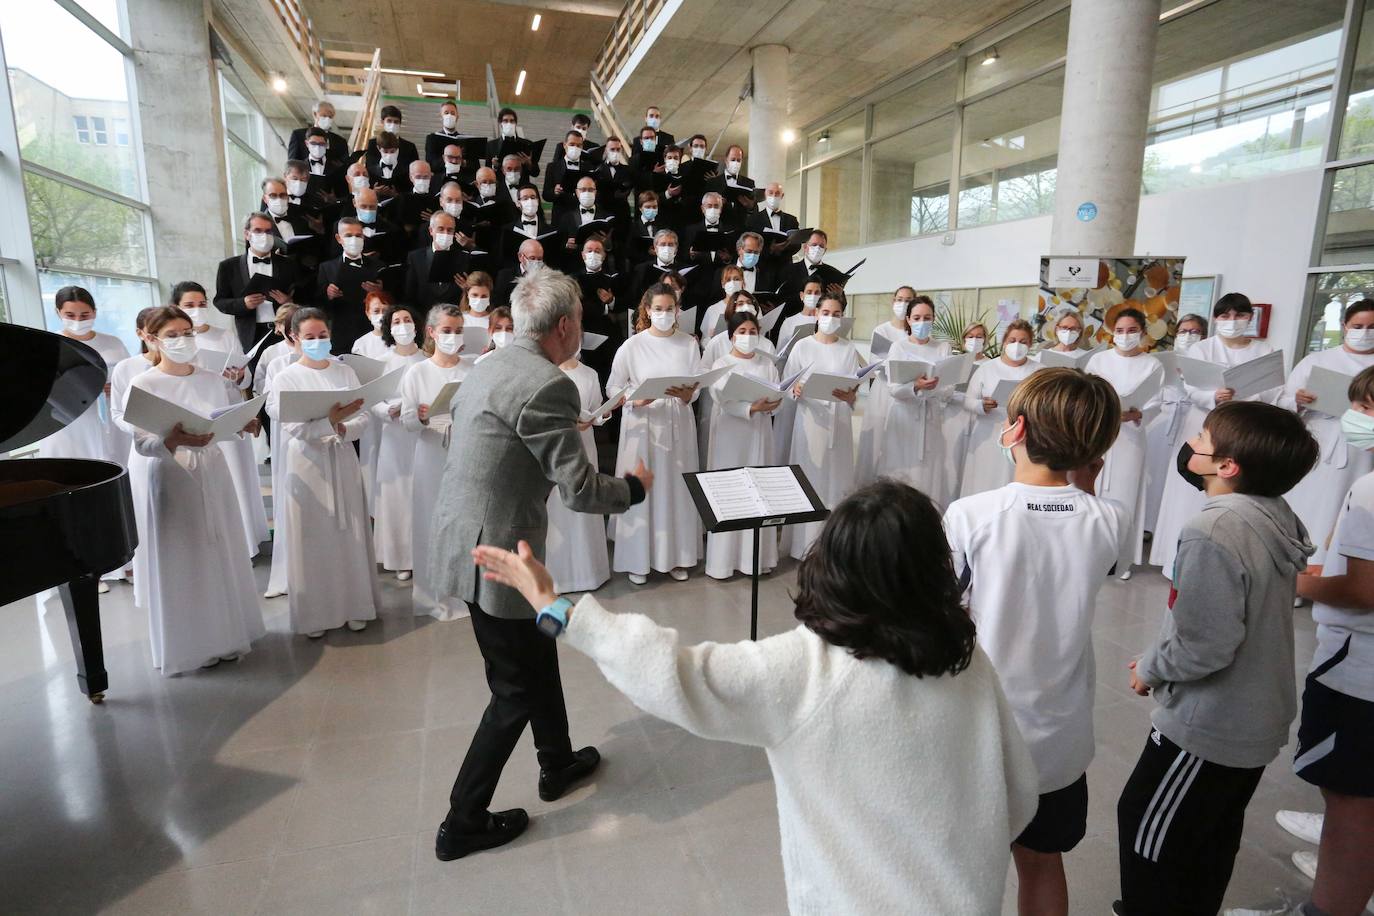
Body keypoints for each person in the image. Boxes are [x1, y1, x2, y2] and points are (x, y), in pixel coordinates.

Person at [471, 479, 1038, 914]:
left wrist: (559, 609)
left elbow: (671, 673)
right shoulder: (966, 660)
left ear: (833, 567)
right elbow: (1019, 796)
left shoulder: (805, 670)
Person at [427, 268, 653, 861]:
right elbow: (579, 491)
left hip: (465, 536)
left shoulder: (489, 365)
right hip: (501, 554)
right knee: (513, 691)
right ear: (566, 325)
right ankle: (462, 821)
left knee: (539, 650)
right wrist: (633, 488)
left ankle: (557, 762)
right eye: (578, 319)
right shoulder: (551, 385)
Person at [1116, 401, 1319, 916]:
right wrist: (1161, 654)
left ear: (1227, 465)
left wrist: (1151, 669)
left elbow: (1204, 645)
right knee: (1207, 838)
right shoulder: (1272, 511)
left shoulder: (1213, 529)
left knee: (1149, 831)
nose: (1192, 445)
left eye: (1202, 438)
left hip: (1210, 723)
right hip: (1254, 714)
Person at [944, 367, 1129, 916]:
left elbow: (945, 607)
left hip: (981, 727)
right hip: (1060, 734)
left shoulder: (971, 515)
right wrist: (1083, 486)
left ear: (1016, 430)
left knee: (963, 867)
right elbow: (1088, 538)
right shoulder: (1110, 519)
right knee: (1044, 861)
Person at [1271, 366, 1374, 916]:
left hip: (1360, 671)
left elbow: (1361, 590)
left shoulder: (1370, 489)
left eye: (1367, 408)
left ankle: (1334, 900)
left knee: (1351, 795)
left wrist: (1291, 581)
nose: (1356, 418)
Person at [125, 307, 263, 674]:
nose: (183, 340)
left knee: (220, 548)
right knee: (184, 556)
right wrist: (171, 440)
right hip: (173, 475)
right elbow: (141, 443)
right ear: (151, 339)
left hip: (213, 470)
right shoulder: (145, 384)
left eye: (187, 333)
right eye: (172, 335)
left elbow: (217, 425)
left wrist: (242, 425)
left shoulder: (210, 380)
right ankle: (191, 644)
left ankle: (227, 635)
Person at [265, 307, 381, 637]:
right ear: (295, 337)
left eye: (323, 336)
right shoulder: (287, 377)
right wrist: (329, 421)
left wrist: (342, 427)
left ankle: (355, 606)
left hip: (341, 456)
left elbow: (363, 415)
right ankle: (316, 615)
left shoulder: (344, 372)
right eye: (310, 337)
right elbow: (293, 426)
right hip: (307, 462)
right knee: (313, 536)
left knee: (350, 532)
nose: (317, 342)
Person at [1151, 293, 1278, 578]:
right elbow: (1191, 387)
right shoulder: (1202, 349)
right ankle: (1180, 560)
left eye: (1239, 315)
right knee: (1192, 490)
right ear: (1217, 318)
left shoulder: (1264, 350)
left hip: (1244, 428)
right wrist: (1213, 397)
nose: (1232, 321)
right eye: (1225, 315)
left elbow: (1273, 391)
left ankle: (1228, 563)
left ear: (1249, 318)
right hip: (1204, 424)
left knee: (1235, 489)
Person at [607, 283, 703, 584]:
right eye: (658, 309)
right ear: (647, 310)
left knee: (675, 488)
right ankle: (638, 559)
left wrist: (688, 394)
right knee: (645, 487)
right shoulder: (632, 345)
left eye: (669, 309)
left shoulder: (688, 343)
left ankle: (677, 556)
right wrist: (634, 399)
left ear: (677, 310)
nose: (664, 314)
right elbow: (613, 387)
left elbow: (697, 386)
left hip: (678, 424)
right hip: (643, 424)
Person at [175, 281, 269, 558]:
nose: (197, 310)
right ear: (176, 307)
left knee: (235, 475)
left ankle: (244, 542)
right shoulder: (177, 341)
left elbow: (245, 375)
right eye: (189, 305)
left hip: (228, 409)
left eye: (201, 304)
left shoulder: (224, 335)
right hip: (197, 412)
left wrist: (239, 375)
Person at [1280, 300, 1374, 568]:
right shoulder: (1317, 360)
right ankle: (1297, 566)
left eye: (1371, 327)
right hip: (1320, 439)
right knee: (1308, 502)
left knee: (1348, 506)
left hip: (1362, 448)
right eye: (1358, 326)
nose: (1364, 332)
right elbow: (1284, 402)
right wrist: (1298, 400)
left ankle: (1334, 570)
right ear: (1345, 326)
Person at [1086, 308, 1166, 580]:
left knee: (1125, 494)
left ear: (1142, 332)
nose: (1125, 335)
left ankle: (1121, 558)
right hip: (1099, 434)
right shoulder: (1099, 360)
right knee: (1092, 492)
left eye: (1132, 330)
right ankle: (1090, 552)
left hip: (1130, 438)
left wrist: (1136, 414)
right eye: (1119, 331)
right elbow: (1087, 394)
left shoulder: (1152, 365)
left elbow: (1156, 402)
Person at [401, 304, 470, 621]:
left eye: (458, 331)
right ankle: (433, 595)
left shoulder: (471, 370)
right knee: (431, 522)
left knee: (463, 523)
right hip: (431, 453)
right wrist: (422, 417)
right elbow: (407, 422)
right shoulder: (417, 372)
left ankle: (465, 592)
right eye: (446, 331)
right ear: (431, 332)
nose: (453, 336)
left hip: (465, 453)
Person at [783, 291, 862, 559]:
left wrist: (850, 396)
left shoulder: (848, 348)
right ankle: (802, 546)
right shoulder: (802, 346)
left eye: (836, 314)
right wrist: (796, 390)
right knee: (810, 480)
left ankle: (834, 545)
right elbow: (788, 385)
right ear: (816, 314)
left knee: (836, 481)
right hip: (810, 422)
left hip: (839, 423)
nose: (830, 318)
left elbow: (853, 388)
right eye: (826, 313)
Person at [705, 311, 782, 580]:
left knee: (758, 491)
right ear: (731, 336)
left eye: (752, 332)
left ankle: (756, 560)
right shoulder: (721, 364)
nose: (748, 337)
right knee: (731, 491)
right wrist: (750, 407)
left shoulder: (767, 364)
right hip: (730, 434)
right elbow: (720, 399)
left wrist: (772, 404)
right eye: (742, 332)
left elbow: (777, 396)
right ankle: (723, 562)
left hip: (759, 433)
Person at [867, 295, 957, 507]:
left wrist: (932, 389)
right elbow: (893, 389)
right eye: (917, 318)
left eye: (927, 317)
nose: (922, 322)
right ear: (908, 319)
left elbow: (948, 389)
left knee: (929, 470)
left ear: (933, 319)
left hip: (931, 417)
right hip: (903, 418)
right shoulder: (898, 347)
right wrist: (915, 387)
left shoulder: (943, 348)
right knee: (899, 469)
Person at [544, 353, 615, 594]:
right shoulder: (546, 370)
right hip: (557, 448)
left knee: (586, 504)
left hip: (586, 447)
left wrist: (602, 415)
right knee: (559, 507)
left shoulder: (589, 373)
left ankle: (590, 573)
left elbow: (596, 409)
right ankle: (558, 576)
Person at [371, 304, 428, 581]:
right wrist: (387, 410)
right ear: (389, 329)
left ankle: (424, 554)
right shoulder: (382, 362)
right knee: (397, 494)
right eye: (396, 321)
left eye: (407, 319)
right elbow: (372, 399)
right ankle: (401, 557)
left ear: (416, 325)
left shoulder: (427, 359)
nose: (403, 325)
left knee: (422, 491)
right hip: (393, 436)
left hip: (423, 434)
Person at [1143, 313, 1206, 535]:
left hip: (1192, 423)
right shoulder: (1162, 360)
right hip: (1163, 423)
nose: (1188, 336)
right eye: (1183, 331)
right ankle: (1148, 524)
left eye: (1195, 332)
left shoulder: (1208, 360)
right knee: (1155, 475)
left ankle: (1172, 527)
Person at [960, 319, 1038, 498]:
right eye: (1012, 340)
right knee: (984, 481)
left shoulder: (1039, 371)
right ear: (1004, 342)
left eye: (1023, 341)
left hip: (1023, 437)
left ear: (1030, 344)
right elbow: (968, 400)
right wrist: (981, 405)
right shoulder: (987, 368)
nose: (1017, 345)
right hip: (988, 433)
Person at [213, 212, 298, 350]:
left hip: (284, 330)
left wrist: (289, 302)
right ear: (247, 234)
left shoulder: (288, 264)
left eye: (268, 231)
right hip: (251, 333)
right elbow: (220, 302)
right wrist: (243, 303)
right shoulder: (229, 266)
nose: (264, 235)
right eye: (258, 230)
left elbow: (305, 296)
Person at [943, 322, 989, 499]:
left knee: (972, 463)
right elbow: (943, 391)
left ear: (985, 339)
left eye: (979, 336)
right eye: (970, 337)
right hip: (953, 416)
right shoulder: (955, 362)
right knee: (951, 462)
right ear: (963, 340)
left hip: (978, 418)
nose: (974, 340)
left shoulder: (990, 364)